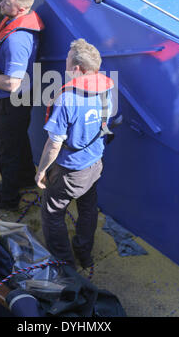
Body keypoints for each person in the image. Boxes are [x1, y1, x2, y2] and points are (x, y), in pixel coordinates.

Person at [35, 38, 114, 269]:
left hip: (70, 170)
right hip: (95, 164)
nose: (65, 66)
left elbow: (54, 144)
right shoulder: (106, 89)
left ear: (77, 69)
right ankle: (84, 253)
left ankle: (65, 265)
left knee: (52, 211)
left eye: (67, 63)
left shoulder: (68, 98)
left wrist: (41, 171)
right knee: (88, 208)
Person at [0, 0, 44, 210]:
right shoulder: (21, 21)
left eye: (6, 3)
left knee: (6, 148)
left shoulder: (17, 40)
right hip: (25, 94)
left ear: (20, 9)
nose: (0, 4)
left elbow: (11, 83)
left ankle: (7, 197)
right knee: (19, 138)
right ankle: (27, 177)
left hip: (13, 99)